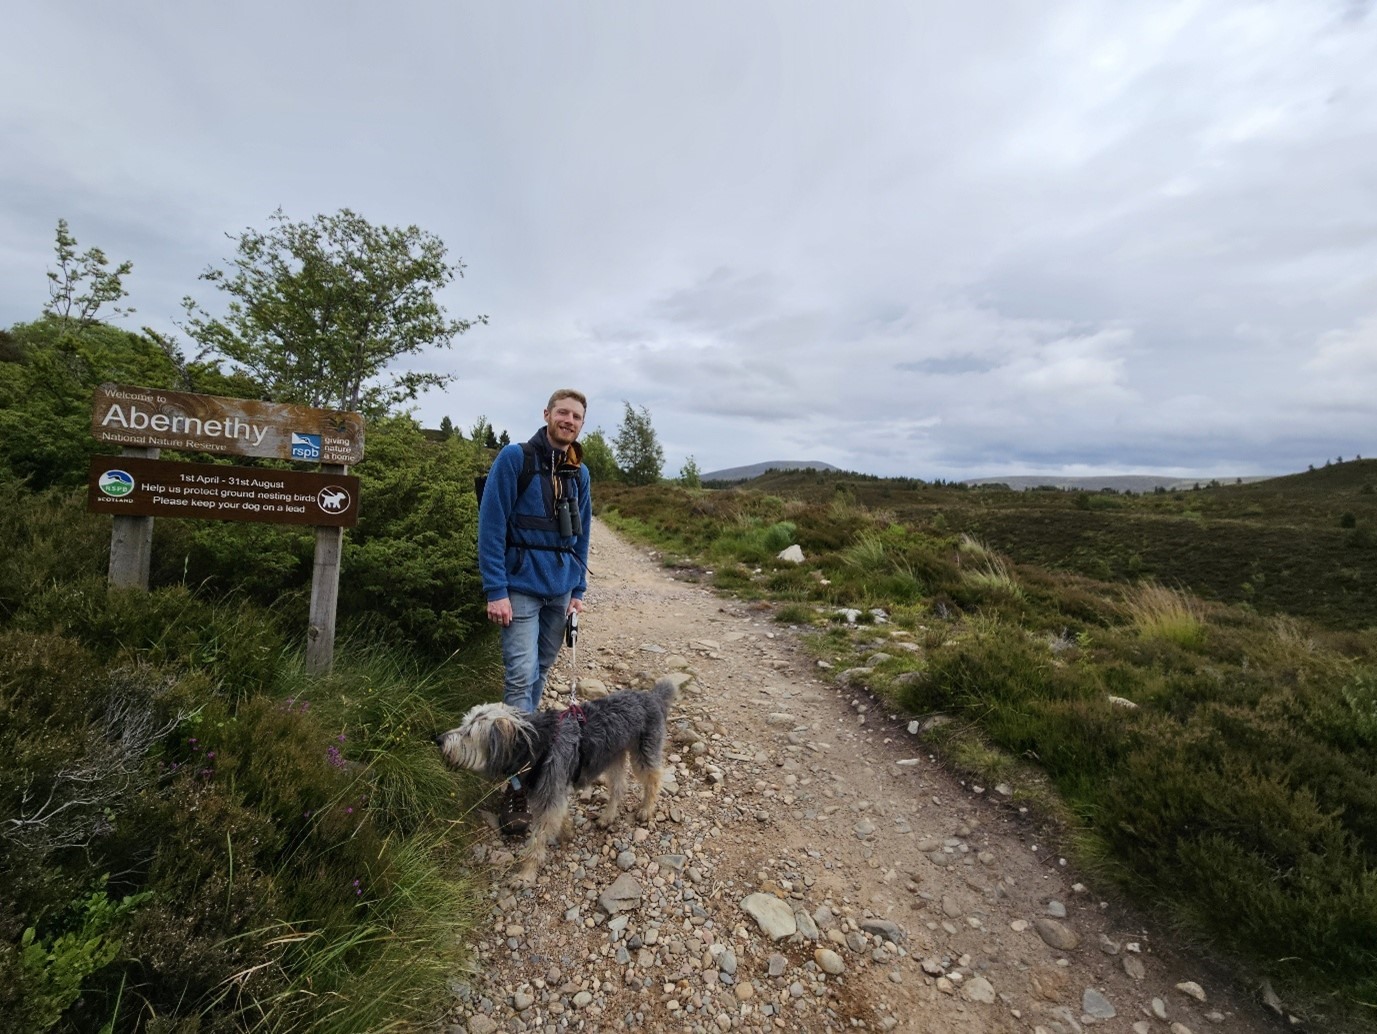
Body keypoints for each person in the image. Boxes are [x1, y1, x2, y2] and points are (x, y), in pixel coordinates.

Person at [477, 389, 593, 835]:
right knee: (521, 676)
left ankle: (523, 745)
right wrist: (496, 589)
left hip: (559, 591)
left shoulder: (579, 472)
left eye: (576, 416)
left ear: (581, 424)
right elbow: (492, 523)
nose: (568, 420)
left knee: (540, 672)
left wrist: (578, 589)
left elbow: (581, 535)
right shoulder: (514, 458)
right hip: (520, 590)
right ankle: (517, 784)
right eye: (562, 412)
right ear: (546, 415)